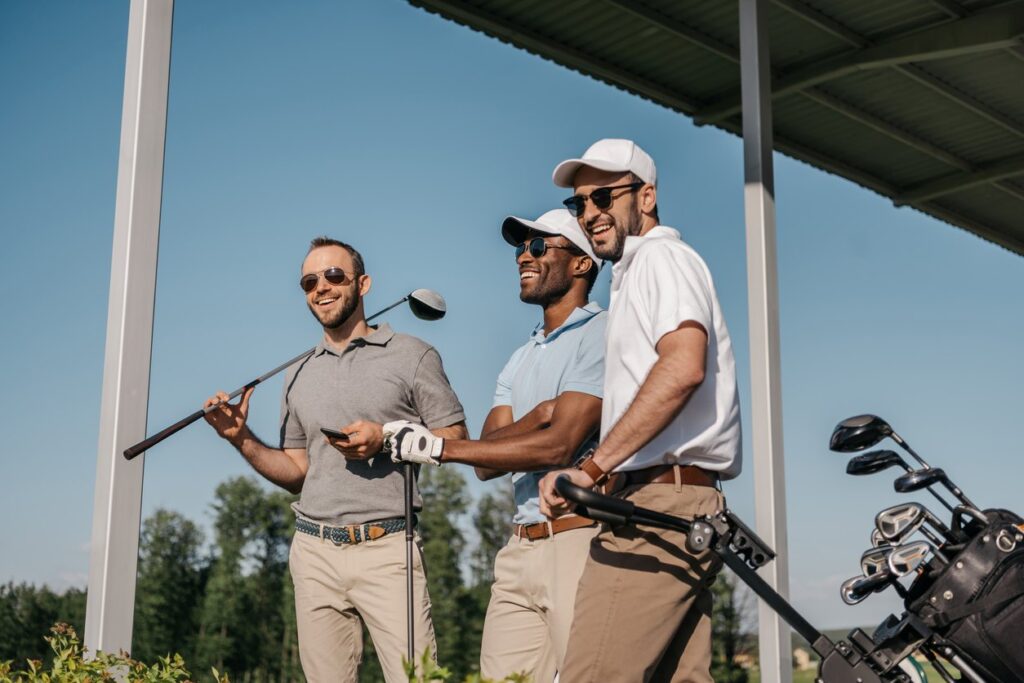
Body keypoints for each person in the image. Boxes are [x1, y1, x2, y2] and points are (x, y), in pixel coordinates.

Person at [202, 236, 468, 683]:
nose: (320, 287)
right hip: (313, 551)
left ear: (362, 284)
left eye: (333, 276)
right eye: (309, 281)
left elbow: (454, 438)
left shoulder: (413, 355)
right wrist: (239, 437)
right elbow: (296, 473)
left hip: (388, 548)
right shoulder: (297, 372)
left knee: (418, 679)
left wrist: (385, 439)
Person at [538, 139, 742, 683]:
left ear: (646, 196)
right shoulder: (635, 271)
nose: (590, 214)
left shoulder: (661, 258)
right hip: (678, 503)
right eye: (579, 204)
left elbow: (682, 369)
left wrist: (590, 469)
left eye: (604, 196)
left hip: (659, 504)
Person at [386, 209, 605, 682]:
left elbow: (558, 446)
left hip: (581, 540)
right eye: (521, 249)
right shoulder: (521, 357)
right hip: (519, 548)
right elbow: (488, 459)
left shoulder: (603, 333)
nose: (523, 257)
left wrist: (439, 448)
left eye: (539, 247)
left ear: (583, 263)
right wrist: (538, 416)